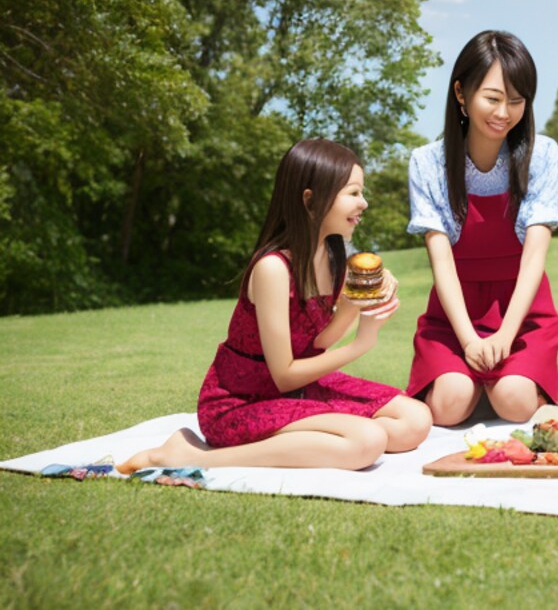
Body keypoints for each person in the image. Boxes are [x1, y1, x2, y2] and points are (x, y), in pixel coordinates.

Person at [118, 139, 432, 474]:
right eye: (353, 192)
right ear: (310, 200)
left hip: (300, 390)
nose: (364, 203)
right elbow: (283, 375)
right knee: (366, 442)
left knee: (415, 421)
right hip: (243, 401)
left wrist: (356, 304)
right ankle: (188, 454)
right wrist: (361, 344)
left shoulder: (333, 258)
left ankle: (317, 442)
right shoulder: (272, 268)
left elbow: (319, 343)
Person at [406, 30, 558, 426]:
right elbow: (441, 265)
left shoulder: (543, 154)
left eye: (516, 100)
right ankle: (471, 384)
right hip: (454, 312)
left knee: (515, 402)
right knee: (448, 405)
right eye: (492, 98)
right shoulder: (427, 163)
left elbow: (534, 260)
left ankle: (501, 385)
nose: (504, 113)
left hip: (522, 312)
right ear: (461, 93)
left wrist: (505, 336)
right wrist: (469, 341)